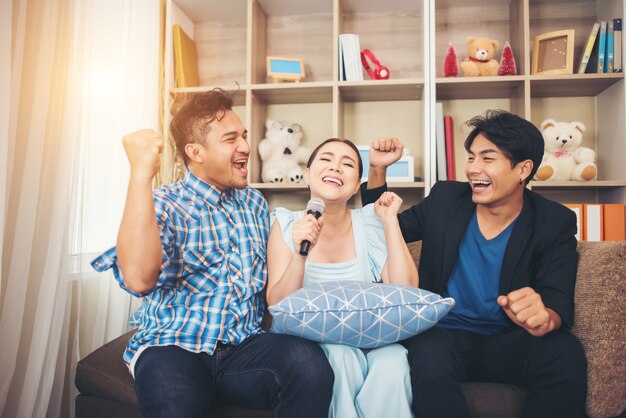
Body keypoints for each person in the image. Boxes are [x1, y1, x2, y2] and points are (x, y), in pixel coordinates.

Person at [91, 88, 333, 418]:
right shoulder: (165, 204)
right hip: (173, 346)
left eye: (244, 136)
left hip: (244, 346)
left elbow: (272, 289)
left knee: (309, 364)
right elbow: (138, 278)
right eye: (231, 138)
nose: (246, 146)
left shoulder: (254, 205)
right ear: (196, 152)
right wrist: (140, 173)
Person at [361, 110, 587, 418]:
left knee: (563, 350)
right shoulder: (445, 199)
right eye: (471, 157)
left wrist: (545, 316)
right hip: (441, 336)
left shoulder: (553, 221)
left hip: (503, 342)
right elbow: (381, 230)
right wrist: (376, 170)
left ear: (523, 169)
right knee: (430, 350)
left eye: (487, 158)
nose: (473, 169)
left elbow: (556, 297)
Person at [266, 137, 419, 418]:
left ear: (355, 184)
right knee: (340, 356)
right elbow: (277, 305)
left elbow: (406, 291)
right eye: (325, 159)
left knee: (395, 358)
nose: (335, 167)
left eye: (347, 164)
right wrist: (301, 254)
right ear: (308, 174)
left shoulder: (369, 220)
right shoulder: (286, 223)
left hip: (370, 339)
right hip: (312, 345)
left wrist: (389, 222)